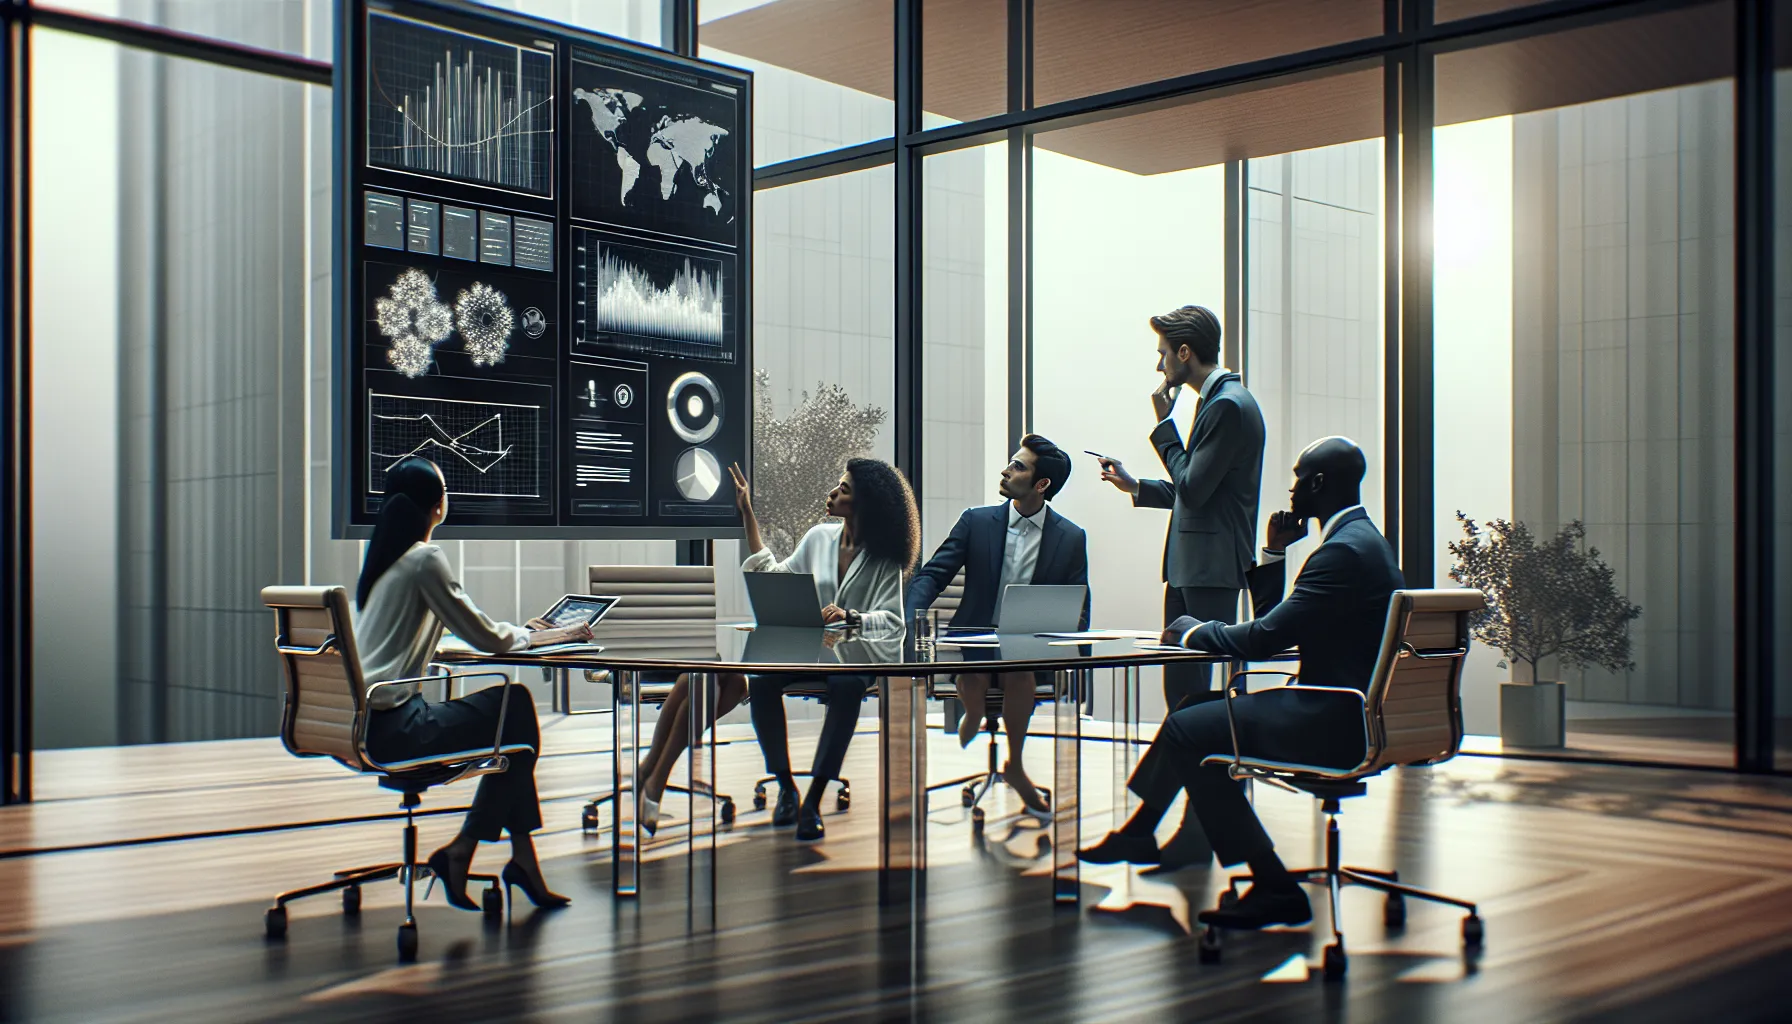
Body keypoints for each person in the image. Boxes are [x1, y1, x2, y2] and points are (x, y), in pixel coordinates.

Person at [1078, 437, 1404, 932]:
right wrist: (1272, 552)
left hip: (1330, 720)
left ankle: (1273, 886)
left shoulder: (1341, 554)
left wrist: (1192, 630)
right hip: (1351, 713)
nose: (1291, 488)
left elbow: (1264, 640)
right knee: (1194, 706)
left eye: (1297, 477)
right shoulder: (1366, 543)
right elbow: (1284, 627)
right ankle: (1140, 831)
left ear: (1317, 483)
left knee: (1193, 732)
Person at [632, 457, 919, 842]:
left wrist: (853, 617)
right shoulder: (819, 537)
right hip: (808, 654)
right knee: (763, 681)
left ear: (866, 503)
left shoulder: (883, 559)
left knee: (848, 689)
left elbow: (894, 622)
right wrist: (747, 512)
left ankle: (813, 801)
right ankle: (785, 786)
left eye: (844, 489)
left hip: (858, 660)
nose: (832, 492)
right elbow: (774, 575)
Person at [354, 456, 592, 912]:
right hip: (397, 729)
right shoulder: (424, 558)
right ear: (438, 507)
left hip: (365, 724)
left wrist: (519, 633)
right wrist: (541, 636)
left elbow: (430, 632)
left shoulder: (386, 561)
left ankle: (520, 860)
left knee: (516, 737)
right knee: (517, 707)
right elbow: (486, 637)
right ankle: (466, 850)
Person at [906, 434, 1089, 815]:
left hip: (1026, 644)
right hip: (975, 637)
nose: (1007, 471)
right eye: (1011, 462)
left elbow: (1078, 606)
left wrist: (1077, 655)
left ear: (1042, 485)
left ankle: (1016, 766)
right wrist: (911, 616)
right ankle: (973, 712)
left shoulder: (1071, 537)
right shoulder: (976, 521)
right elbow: (933, 574)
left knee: (1018, 672)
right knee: (978, 671)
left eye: (1018, 466)